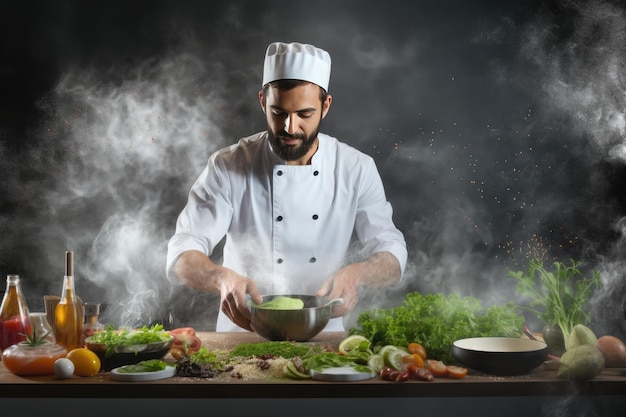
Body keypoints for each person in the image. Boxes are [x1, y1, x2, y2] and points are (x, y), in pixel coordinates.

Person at [166, 41, 407, 332]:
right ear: (262, 102)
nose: (290, 127)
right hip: (244, 334)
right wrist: (221, 279)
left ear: (325, 106)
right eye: (278, 112)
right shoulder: (229, 164)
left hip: (323, 335)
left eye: (304, 114)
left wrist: (359, 274)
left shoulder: (356, 168)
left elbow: (391, 250)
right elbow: (183, 251)